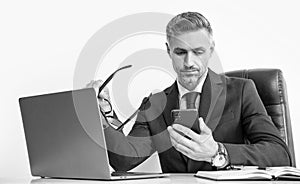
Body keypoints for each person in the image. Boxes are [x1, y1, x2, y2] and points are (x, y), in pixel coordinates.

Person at [87, 12, 291, 173]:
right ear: (169, 51)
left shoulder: (242, 90)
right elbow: (124, 160)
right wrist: (101, 113)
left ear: (211, 50)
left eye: (198, 52)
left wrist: (217, 151)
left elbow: (280, 154)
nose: (189, 63)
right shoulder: (155, 103)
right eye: (180, 52)